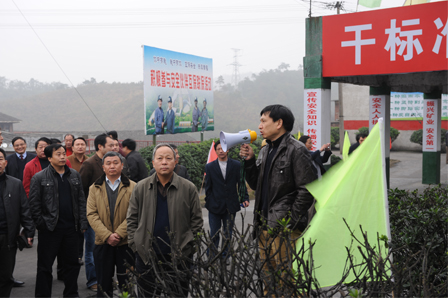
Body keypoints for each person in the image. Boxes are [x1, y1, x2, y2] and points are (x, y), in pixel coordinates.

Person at [239, 104, 316, 295]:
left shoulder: (296, 150)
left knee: (287, 281)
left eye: (264, 121)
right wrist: (249, 161)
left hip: (284, 228)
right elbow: (256, 184)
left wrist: (290, 221)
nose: (260, 126)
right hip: (264, 226)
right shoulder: (265, 150)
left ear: (279, 123)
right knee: (269, 282)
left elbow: (307, 190)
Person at [127, 144, 203, 297]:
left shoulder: (188, 188)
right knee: (147, 294)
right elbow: (132, 219)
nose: (164, 162)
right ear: (153, 162)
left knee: (178, 293)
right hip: (147, 256)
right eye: (159, 158)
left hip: (179, 256)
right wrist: (135, 245)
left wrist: (189, 247)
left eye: (169, 158)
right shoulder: (141, 187)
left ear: (175, 162)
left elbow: (197, 221)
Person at [28, 144, 88, 298]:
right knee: (45, 267)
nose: (62, 157)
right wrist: (42, 224)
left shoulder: (74, 175)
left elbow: (81, 200)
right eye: (58, 154)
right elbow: (34, 204)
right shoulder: (39, 177)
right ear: (49, 158)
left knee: (72, 265)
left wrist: (82, 223)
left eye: (63, 154)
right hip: (50, 229)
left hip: (71, 229)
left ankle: (71, 294)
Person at [86, 151, 136, 297]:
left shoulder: (133, 187)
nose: (112, 166)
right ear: (103, 167)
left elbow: (134, 214)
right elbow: (91, 214)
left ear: (122, 165)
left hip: (125, 243)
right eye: (108, 163)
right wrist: (107, 235)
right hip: (103, 242)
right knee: (103, 282)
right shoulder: (94, 188)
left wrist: (119, 234)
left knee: (126, 282)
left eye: (115, 163)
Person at [79, 134, 115, 291]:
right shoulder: (89, 164)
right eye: (111, 145)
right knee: (93, 250)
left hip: (112, 215)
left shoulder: (115, 162)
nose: (114, 148)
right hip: (94, 216)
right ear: (100, 146)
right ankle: (93, 280)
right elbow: (80, 192)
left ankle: (106, 280)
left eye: (115, 145)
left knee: (108, 250)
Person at [204, 140, 249, 260]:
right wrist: (208, 202)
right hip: (214, 206)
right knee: (214, 233)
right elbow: (208, 187)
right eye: (218, 149)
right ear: (216, 151)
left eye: (222, 148)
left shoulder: (236, 165)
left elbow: (241, 183)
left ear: (227, 149)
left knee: (228, 233)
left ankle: (225, 255)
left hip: (231, 204)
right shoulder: (210, 167)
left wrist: (245, 197)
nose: (220, 151)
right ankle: (212, 256)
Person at [0, 148, 35, 297]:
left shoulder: (15, 184)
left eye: (0, 159)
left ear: (5, 162)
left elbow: (24, 209)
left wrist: (29, 231)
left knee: (5, 275)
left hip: (7, 237)